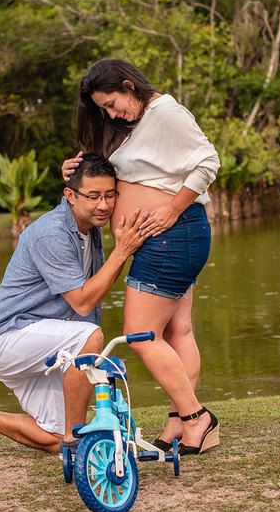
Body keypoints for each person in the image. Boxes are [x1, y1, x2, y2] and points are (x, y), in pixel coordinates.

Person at [62, 58, 221, 455]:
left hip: (172, 234)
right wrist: (74, 169)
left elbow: (208, 162)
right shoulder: (133, 126)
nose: (112, 113)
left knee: (140, 334)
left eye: (114, 103)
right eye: (104, 109)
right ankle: (176, 426)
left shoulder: (165, 113)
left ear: (130, 86)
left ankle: (196, 416)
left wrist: (171, 209)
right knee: (176, 332)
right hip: (172, 239)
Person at [0, 153, 145, 460]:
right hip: (6, 337)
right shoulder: (51, 232)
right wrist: (122, 251)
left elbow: (97, 288)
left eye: (109, 195)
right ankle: (77, 442)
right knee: (91, 337)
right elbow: (83, 300)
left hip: (44, 344)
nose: (103, 204)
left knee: (56, 438)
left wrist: (123, 252)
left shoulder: (90, 231)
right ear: (70, 196)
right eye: (93, 196)